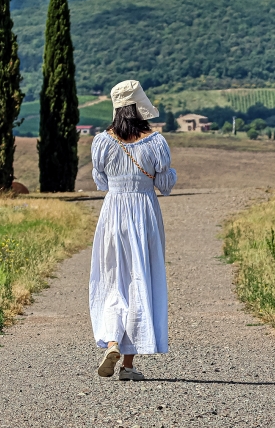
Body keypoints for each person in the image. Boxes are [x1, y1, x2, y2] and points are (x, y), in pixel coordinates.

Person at [89, 80, 177, 381]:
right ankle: (127, 365)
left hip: (113, 214)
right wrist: (165, 173)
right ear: (140, 107)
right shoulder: (155, 143)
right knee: (140, 279)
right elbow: (164, 186)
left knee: (113, 280)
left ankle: (112, 342)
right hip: (144, 214)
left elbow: (101, 182)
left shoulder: (102, 142)